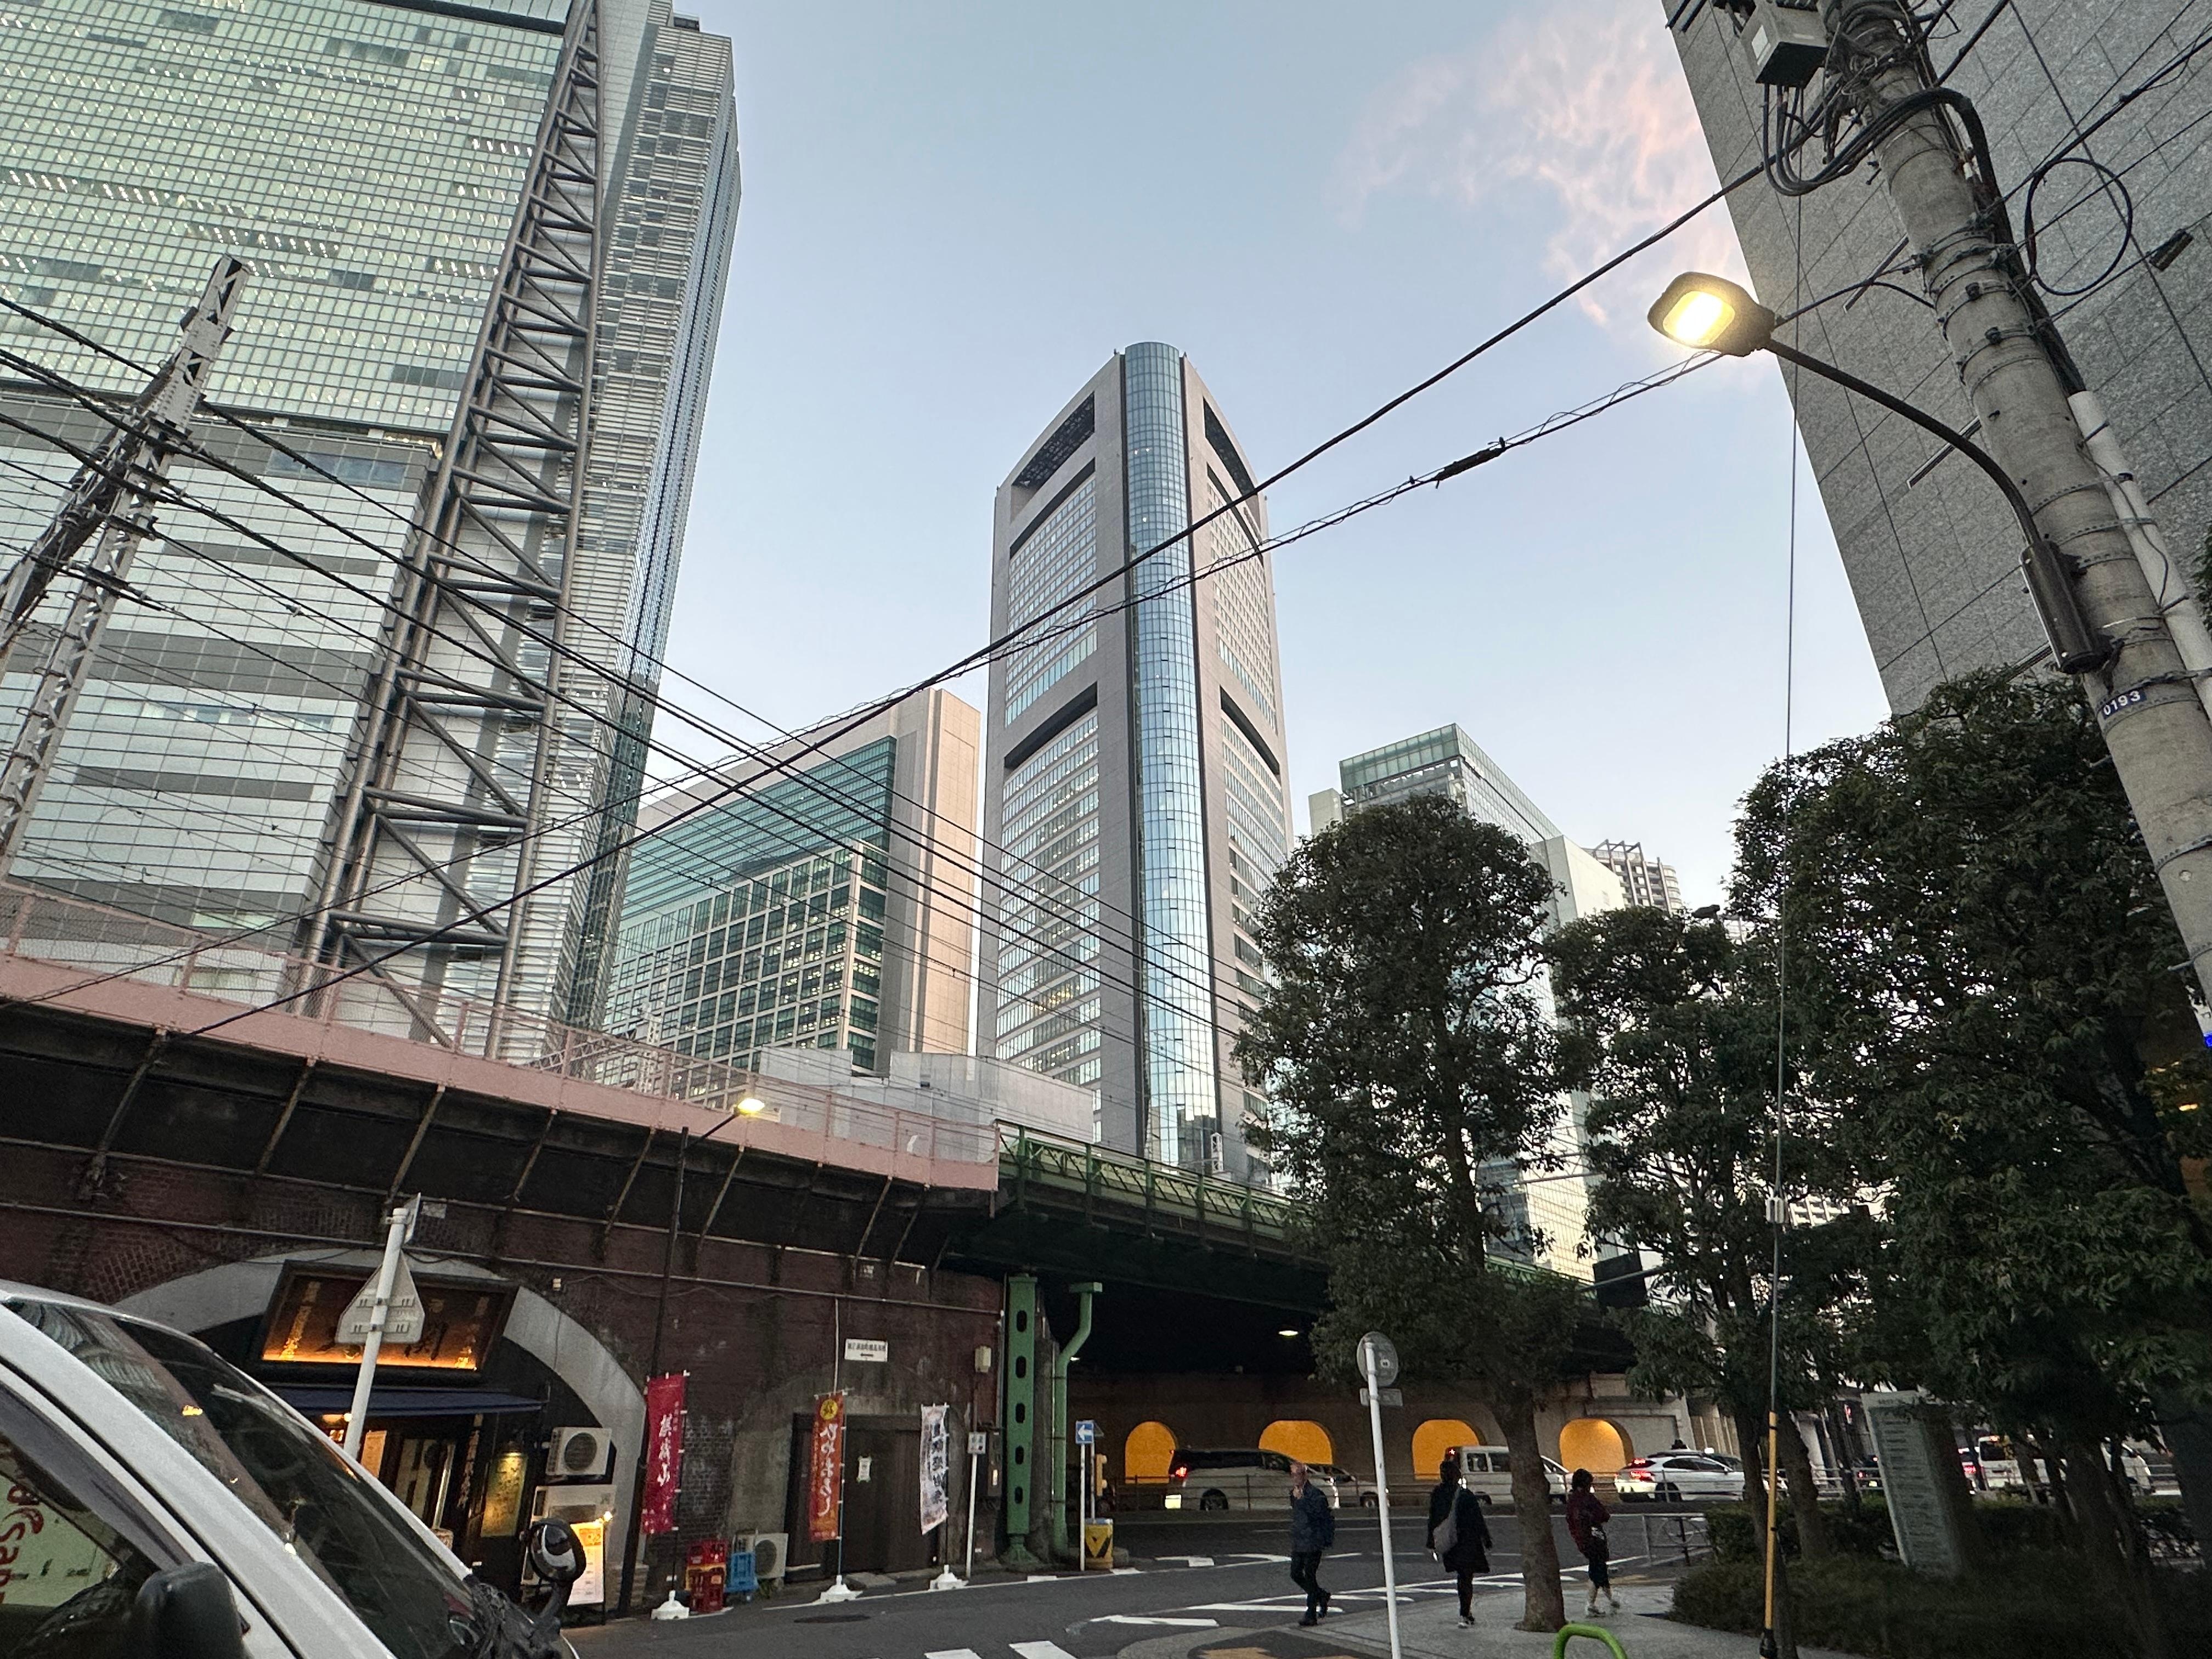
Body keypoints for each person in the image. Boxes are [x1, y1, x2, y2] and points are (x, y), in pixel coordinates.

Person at [1426, 1451, 1492, 1628]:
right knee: (1466, 1577)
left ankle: (1465, 1612)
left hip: (1450, 1543)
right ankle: (1465, 1612)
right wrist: (1486, 1539)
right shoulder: (1465, 1495)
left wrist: (1431, 1542)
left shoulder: (1437, 1494)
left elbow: (1433, 1519)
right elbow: (1477, 1519)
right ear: (1457, 1475)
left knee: (1460, 1576)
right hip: (1467, 1541)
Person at [1565, 1468, 1619, 1617]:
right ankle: (1593, 1604)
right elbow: (1604, 1516)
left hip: (1582, 1540)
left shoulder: (1572, 1502)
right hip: (1596, 1537)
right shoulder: (1588, 1499)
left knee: (1597, 1567)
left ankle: (1609, 1600)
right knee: (1598, 1569)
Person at [1287, 1459, 1334, 1626]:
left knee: (1310, 1574)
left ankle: (1311, 1613)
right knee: (1295, 1573)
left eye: (1298, 1475)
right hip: (1300, 1540)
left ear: (1305, 1475)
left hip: (1313, 1541)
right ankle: (1321, 1595)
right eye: (1292, 1475)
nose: (1295, 1479)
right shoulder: (1293, 1493)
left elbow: (1318, 1515)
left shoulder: (1316, 1494)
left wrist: (1303, 1500)